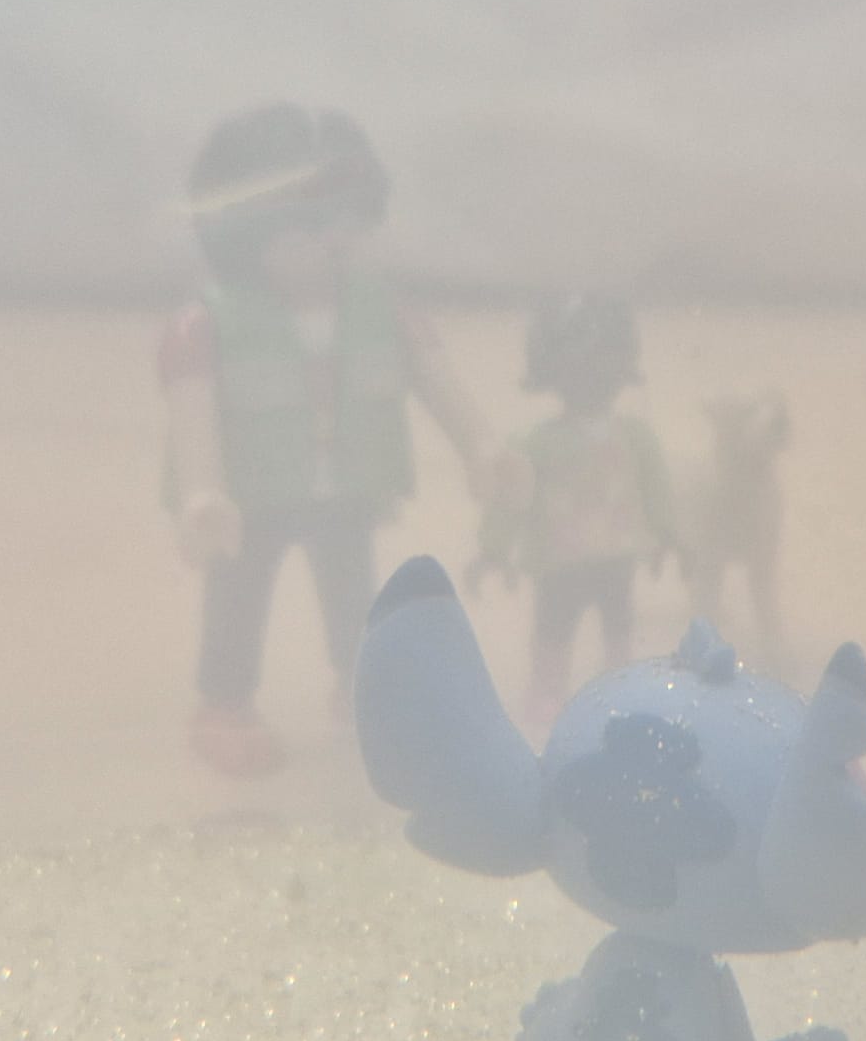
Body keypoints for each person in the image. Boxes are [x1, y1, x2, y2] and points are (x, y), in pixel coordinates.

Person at [160, 101, 508, 776]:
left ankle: (359, 690)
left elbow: (436, 379)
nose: (334, 242)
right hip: (250, 497)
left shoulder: (382, 310)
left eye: (348, 222)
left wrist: (482, 448)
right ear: (246, 233)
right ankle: (224, 705)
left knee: (355, 596)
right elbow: (192, 413)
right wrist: (202, 493)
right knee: (238, 599)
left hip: (346, 484)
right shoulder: (207, 325)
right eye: (308, 227)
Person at [475, 292, 677, 730]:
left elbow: (657, 488)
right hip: (559, 561)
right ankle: (548, 693)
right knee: (553, 630)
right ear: (553, 372)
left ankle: (619, 690)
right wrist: (493, 549)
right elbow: (514, 496)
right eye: (578, 368)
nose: (591, 378)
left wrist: (668, 532)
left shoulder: (635, 436)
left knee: (619, 628)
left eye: (603, 364)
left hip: (616, 557)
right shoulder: (537, 443)